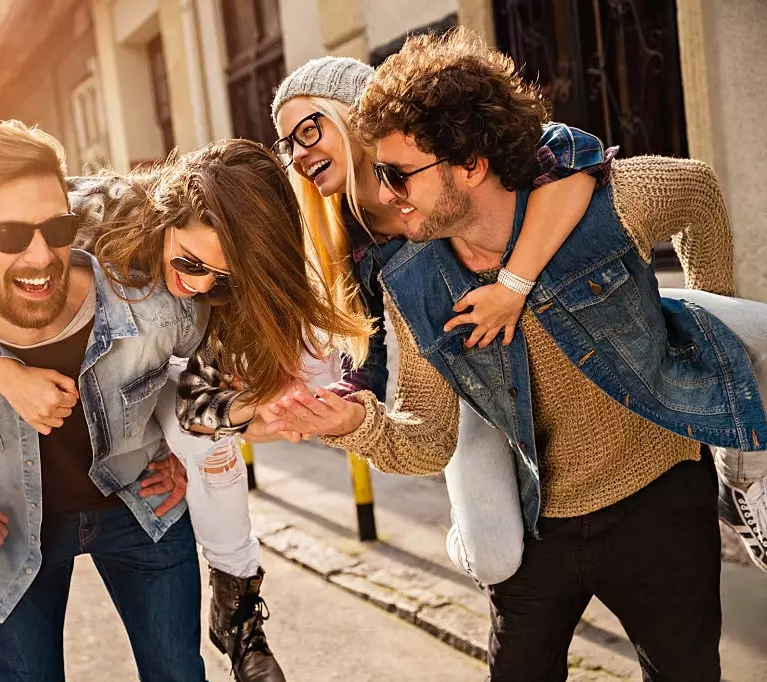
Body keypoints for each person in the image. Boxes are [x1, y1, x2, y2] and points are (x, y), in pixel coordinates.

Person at [263, 28, 767, 681]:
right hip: (538, 526)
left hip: (661, 500)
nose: (383, 197)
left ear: (470, 164)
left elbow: (695, 192)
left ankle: (742, 466)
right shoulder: (410, 281)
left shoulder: (604, 203)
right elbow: (427, 438)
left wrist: (702, 317)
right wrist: (352, 424)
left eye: (397, 176)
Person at [0, 122, 367, 681]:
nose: (197, 286)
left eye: (220, 279)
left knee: (204, 449)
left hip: (136, 494)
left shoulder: (178, 302)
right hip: (9, 517)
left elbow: (198, 400)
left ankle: (239, 611)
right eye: (190, 264)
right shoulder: (85, 213)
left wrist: (247, 415)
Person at [198, 54, 609, 585]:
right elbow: (363, 359)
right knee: (492, 557)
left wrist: (513, 285)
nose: (299, 155)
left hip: (564, 349)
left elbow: (579, 154)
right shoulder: (348, 240)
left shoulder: (454, 157)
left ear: (349, 114)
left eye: (308, 130)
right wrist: (326, 410)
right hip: (465, 390)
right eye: (289, 144)